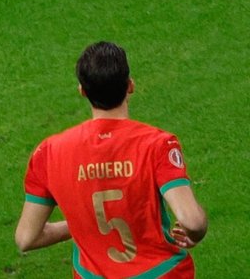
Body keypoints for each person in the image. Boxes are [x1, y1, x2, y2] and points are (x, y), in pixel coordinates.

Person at [15, 41, 208, 277]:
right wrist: (195, 234)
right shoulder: (157, 144)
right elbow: (192, 221)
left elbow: (26, 238)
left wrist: (84, 224)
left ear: (82, 91)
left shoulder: (48, 153)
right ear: (130, 86)